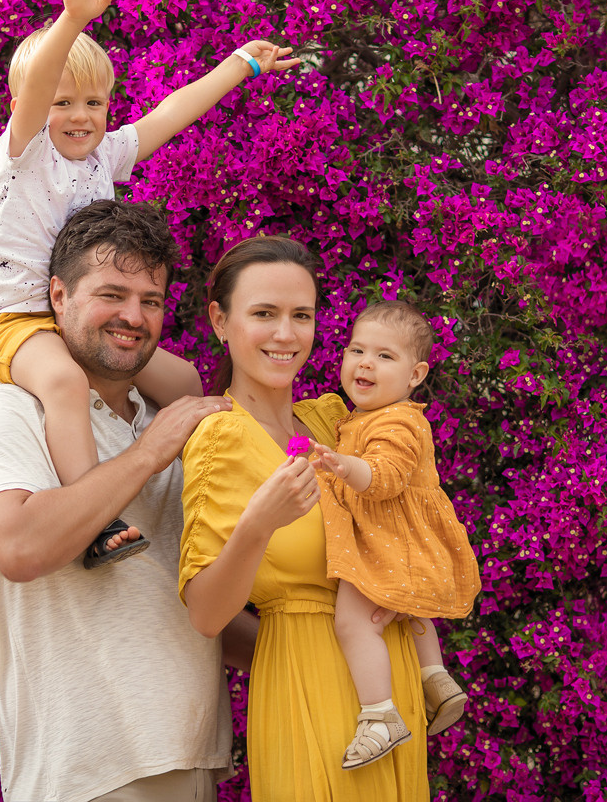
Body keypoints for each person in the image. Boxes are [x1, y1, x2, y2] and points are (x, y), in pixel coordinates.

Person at [0, 0, 300, 568]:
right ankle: (96, 517)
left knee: (185, 382)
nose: (80, 117)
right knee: (64, 382)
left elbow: (171, 113)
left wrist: (240, 64)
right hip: (6, 322)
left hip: (70, 318)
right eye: (64, 103)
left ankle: (225, 500)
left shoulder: (104, 157)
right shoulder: (24, 152)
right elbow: (37, 87)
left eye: (94, 104)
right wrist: (72, 21)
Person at [0, 200, 251, 802]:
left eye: (151, 300)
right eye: (112, 294)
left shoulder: (168, 420)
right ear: (59, 296)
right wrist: (148, 455)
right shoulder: (9, 410)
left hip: (192, 760)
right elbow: (19, 547)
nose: (133, 316)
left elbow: (184, 599)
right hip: (86, 775)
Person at [177, 236, 429, 801]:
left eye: (302, 316)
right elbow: (206, 614)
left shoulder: (336, 422)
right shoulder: (221, 437)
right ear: (220, 321)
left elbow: (415, 502)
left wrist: (405, 576)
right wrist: (258, 524)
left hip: (390, 687)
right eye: (264, 314)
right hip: (305, 680)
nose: (286, 334)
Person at [308, 299, 480, 768]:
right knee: (408, 605)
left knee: (353, 623)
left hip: (391, 543)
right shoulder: (369, 416)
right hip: (405, 542)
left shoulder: (398, 420)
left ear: (415, 375)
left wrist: (344, 466)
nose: (365, 363)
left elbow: (383, 478)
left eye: (384, 356)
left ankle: (380, 716)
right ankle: (435, 676)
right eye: (357, 350)